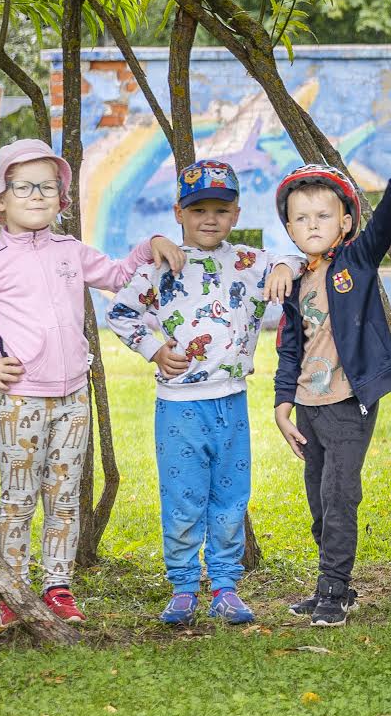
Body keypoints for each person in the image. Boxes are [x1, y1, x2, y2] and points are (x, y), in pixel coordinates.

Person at [0, 138, 187, 627]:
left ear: (61, 199)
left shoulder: (70, 251)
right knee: (19, 497)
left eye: (47, 187)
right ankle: (14, 592)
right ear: (0, 202)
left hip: (73, 398)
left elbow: (116, 275)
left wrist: (149, 244)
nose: (36, 195)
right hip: (20, 403)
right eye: (24, 186)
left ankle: (57, 587)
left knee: (65, 495)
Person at [106, 159, 297, 625]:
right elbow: (120, 313)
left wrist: (285, 267)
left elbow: (295, 257)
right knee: (184, 497)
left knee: (231, 498)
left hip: (231, 402)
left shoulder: (251, 263)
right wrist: (153, 350)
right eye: (197, 210)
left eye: (220, 209)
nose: (208, 219)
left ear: (235, 213)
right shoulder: (162, 265)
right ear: (179, 213)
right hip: (178, 408)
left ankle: (226, 585)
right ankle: (184, 586)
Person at [272, 161, 391, 628]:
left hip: (349, 405)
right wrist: (282, 406)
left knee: (340, 496)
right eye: (302, 218)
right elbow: (290, 348)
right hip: (308, 410)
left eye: (323, 216)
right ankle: (334, 587)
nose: (313, 226)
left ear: (345, 223)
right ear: (289, 227)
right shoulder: (294, 280)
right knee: (318, 502)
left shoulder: (356, 262)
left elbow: (385, 225)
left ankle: (333, 589)